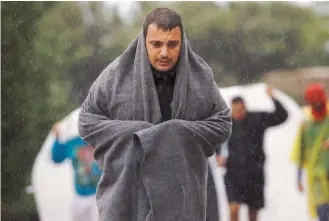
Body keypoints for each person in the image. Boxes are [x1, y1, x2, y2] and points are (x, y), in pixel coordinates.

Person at [78, 8, 232, 221]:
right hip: (126, 199)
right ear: (143, 41)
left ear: (182, 42)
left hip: (182, 201)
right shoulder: (115, 77)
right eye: (156, 44)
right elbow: (87, 121)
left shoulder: (200, 78)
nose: (164, 53)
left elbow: (223, 122)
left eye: (172, 44)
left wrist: (177, 133)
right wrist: (135, 134)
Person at [215, 86, 288, 221]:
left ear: (245, 107)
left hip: (254, 173)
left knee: (253, 214)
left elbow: (282, 116)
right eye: (234, 111)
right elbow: (216, 140)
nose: (237, 113)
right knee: (233, 209)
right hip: (233, 173)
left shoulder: (257, 119)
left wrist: (273, 98)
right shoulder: (226, 123)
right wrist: (218, 155)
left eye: (240, 110)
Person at [51, 122, 102, 221]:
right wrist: (57, 138)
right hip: (80, 196)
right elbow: (57, 158)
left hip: (101, 195)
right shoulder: (73, 143)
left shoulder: (103, 140)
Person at [292, 84, 329, 221]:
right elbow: (300, 151)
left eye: (319, 101)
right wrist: (298, 176)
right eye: (314, 103)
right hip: (317, 178)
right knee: (323, 213)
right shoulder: (307, 123)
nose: (317, 105)